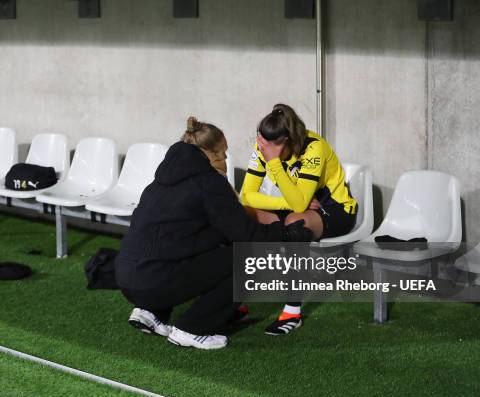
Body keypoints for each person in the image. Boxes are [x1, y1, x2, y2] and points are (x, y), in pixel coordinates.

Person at [116, 117, 312, 350]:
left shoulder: (159, 182)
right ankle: (192, 328)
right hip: (155, 281)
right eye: (223, 152)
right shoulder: (208, 182)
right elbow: (245, 235)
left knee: (194, 250)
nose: (226, 159)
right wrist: (286, 233)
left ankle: (151, 312)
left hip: (127, 279)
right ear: (212, 153)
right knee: (251, 259)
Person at [241, 104, 358, 335]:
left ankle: (292, 313)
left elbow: (298, 206)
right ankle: (234, 303)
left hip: (336, 209)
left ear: (287, 140)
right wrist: (287, 204)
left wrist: (274, 163)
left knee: (295, 224)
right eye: (261, 144)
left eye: (269, 148)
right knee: (240, 214)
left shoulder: (314, 147)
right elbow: (247, 195)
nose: (262, 150)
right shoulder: (263, 146)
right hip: (298, 205)